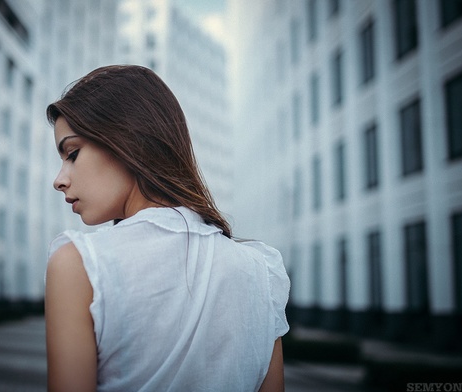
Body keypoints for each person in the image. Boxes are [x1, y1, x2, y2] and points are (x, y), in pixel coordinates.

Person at [45, 65, 290, 392]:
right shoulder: (262, 272)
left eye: (72, 153)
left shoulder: (81, 265)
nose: (59, 180)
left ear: (126, 140)